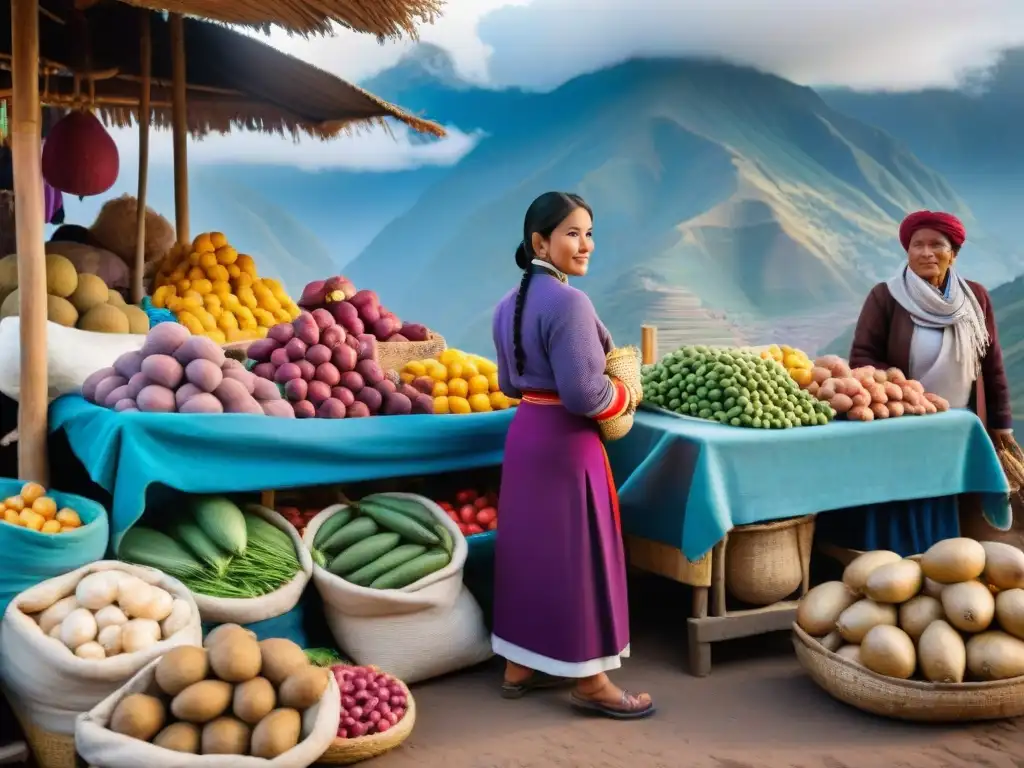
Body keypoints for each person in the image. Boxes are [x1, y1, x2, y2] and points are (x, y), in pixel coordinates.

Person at [490, 191, 654, 720]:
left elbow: (510, 385)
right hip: (566, 440)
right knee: (579, 556)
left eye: (589, 233)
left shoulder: (506, 305)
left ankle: (519, 665)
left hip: (527, 436)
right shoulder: (570, 304)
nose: (586, 245)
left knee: (529, 552)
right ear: (540, 241)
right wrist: (627, 395)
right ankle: (591, 681)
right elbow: (586, 395)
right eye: (572, 234)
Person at [850, 210, 1012, 444]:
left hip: (964, 423)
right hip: (905, 420)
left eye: (936, 245)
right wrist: (908, 395)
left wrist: (1001, 422)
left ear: (953, 254)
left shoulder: (975, 297)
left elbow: (991, 364)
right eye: (918, 245)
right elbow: (862, 358)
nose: (926, 253)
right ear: (908, 252)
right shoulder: (886, 296)